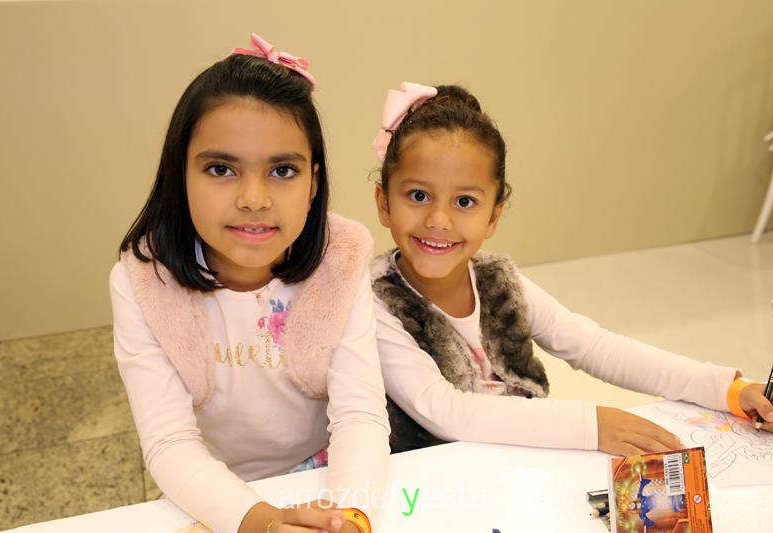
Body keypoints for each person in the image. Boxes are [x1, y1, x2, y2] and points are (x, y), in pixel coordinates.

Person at [369, 81, 773, 455]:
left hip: (522, 462)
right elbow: (442, 409)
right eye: (418, 195)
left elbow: (593, 346)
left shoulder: (498, 280)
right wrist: (591, 425)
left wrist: (725, 389)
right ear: (384, 203)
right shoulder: (373, 301)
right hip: (436, 478)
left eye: (464, 202)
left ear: (494, 215)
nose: (438, 220)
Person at [109, 34, 389, 533]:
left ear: (314, 183)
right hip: (214, 490)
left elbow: (361, 415)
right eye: (221, 169)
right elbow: (170, 443)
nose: (254, 199)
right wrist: (264, 523)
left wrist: (348, 517)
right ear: (180, 175)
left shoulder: (340, 260)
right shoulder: (144, 280)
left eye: (282, 170)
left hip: (327, 475)